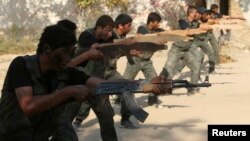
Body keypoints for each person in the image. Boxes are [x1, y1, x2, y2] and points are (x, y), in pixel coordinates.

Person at [0, 22, 169, 141]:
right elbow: (28, 106)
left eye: (71, 52)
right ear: (47, 50)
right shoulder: (21, 65)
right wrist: (68, 91)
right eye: (66, 52)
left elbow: (101, 85)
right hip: (11, 135)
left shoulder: (64, 72)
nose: (69, 58)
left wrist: (145, 85)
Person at [72, 14, 141, 130]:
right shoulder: (86, 35)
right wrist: (121, 43)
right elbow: (96, 49)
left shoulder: (112, 35)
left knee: (128, 87)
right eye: (108, 31)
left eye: (111, 31)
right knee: (87, 97)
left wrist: (128, 51)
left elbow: (114, 50)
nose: (110, 34)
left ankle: (125, 119)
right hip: (89, 73)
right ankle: (78, 120)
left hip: (108, 71)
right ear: (98, 28)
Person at [123, 12, 164, 106]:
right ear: (152, 22)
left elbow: (165, 34)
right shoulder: (142, 29)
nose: (158, 24)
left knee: (154, 80)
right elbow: (145, 37)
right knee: (126, 80)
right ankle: (117, 100)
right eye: (157, 22)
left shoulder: (157, 31)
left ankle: (152, 101)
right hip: (135, 59)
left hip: (146, 61)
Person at [160, 6, 203, 94]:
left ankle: (192, 88)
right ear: (191, 13)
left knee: (196, 67)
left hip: (187, 50)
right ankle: (160, 88)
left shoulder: (196, 23)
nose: (197, 14)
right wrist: (188, 30)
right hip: (176, 49)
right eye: (195, 12)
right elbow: (184, 25)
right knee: (167, 70)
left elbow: (198, 32)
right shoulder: (183, 21)